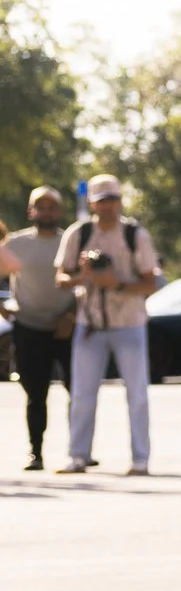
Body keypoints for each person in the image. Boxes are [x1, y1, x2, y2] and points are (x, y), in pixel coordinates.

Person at [54, 174, 158, 476]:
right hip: (90, 324)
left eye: (112, 200)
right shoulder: (80, 234)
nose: (108, 206)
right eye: (102, 201)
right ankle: (77, 455)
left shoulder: (135, 235)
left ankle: (140, 459)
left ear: (120, 201)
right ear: (92, 203)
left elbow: (151, 283)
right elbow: (60, 279)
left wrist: (117, 284)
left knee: (137, 393)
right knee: (82, 394)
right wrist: (84, 277)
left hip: (129, 323)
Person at [3, 187, 73, 471]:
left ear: (60, 211)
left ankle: (77, 451)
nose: (46, 212)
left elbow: (85, 282)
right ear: (31, 212)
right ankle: (36, 452)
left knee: (76, 391)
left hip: (66, 327)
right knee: (35, 394)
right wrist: (2, 307)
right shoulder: (15, 244)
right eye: (40, 207)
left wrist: (71, 315)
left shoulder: (72, 240)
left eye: (52, 207)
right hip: (29, 327)